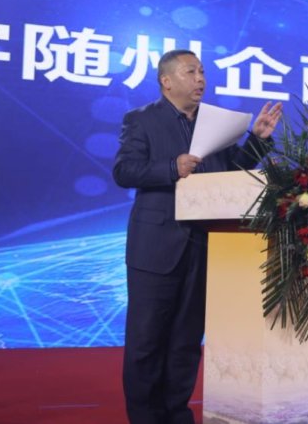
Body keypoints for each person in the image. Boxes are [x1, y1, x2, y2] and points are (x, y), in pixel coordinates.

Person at [113, 49, 283, 424]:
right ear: (166, 81)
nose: (201, 79)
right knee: (146, 342)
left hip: (205, 245)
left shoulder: (215, 122)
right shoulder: (142, 119)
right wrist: (171, 168)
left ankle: (177, 414)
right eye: (191, 72)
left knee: (186, 342)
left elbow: (231, 172)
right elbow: (125, 170)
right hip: (156, 247)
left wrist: (256, 141)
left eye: (202, 72)